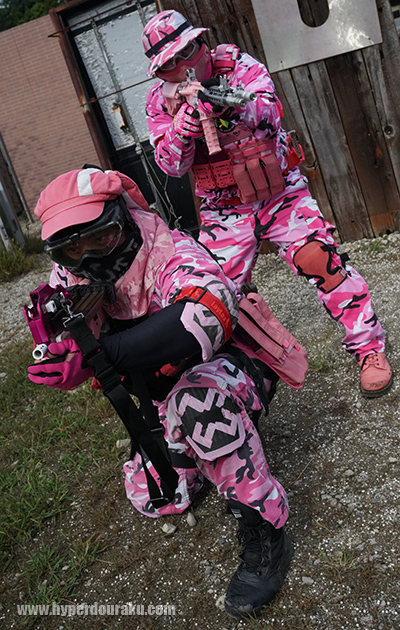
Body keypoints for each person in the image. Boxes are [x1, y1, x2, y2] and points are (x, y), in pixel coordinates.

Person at [27, 166, 294, 620]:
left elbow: (207, 315)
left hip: (233, 365)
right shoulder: (70, 273)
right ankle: (207, 450)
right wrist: (65, 358)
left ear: (121, 219)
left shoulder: (169, 249)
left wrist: (105, 352)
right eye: (71, 247)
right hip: (160, 390)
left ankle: (265, 527)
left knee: (199, 403)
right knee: (157, 495)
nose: (87, 256)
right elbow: (70, 334)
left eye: (99, 238)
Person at [141, 9, 393, 399]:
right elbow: (171, 166)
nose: (182, 66)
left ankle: (368, 348)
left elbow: (270, 114)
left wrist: (228, 102)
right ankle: (222, 381)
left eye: (187, 52)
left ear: (201, 43)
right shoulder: (159, 102)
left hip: (280, 192)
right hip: (225, 208)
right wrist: (182, 129)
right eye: (168, 64)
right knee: (208, 294)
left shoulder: (235, 65)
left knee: (318, 259)